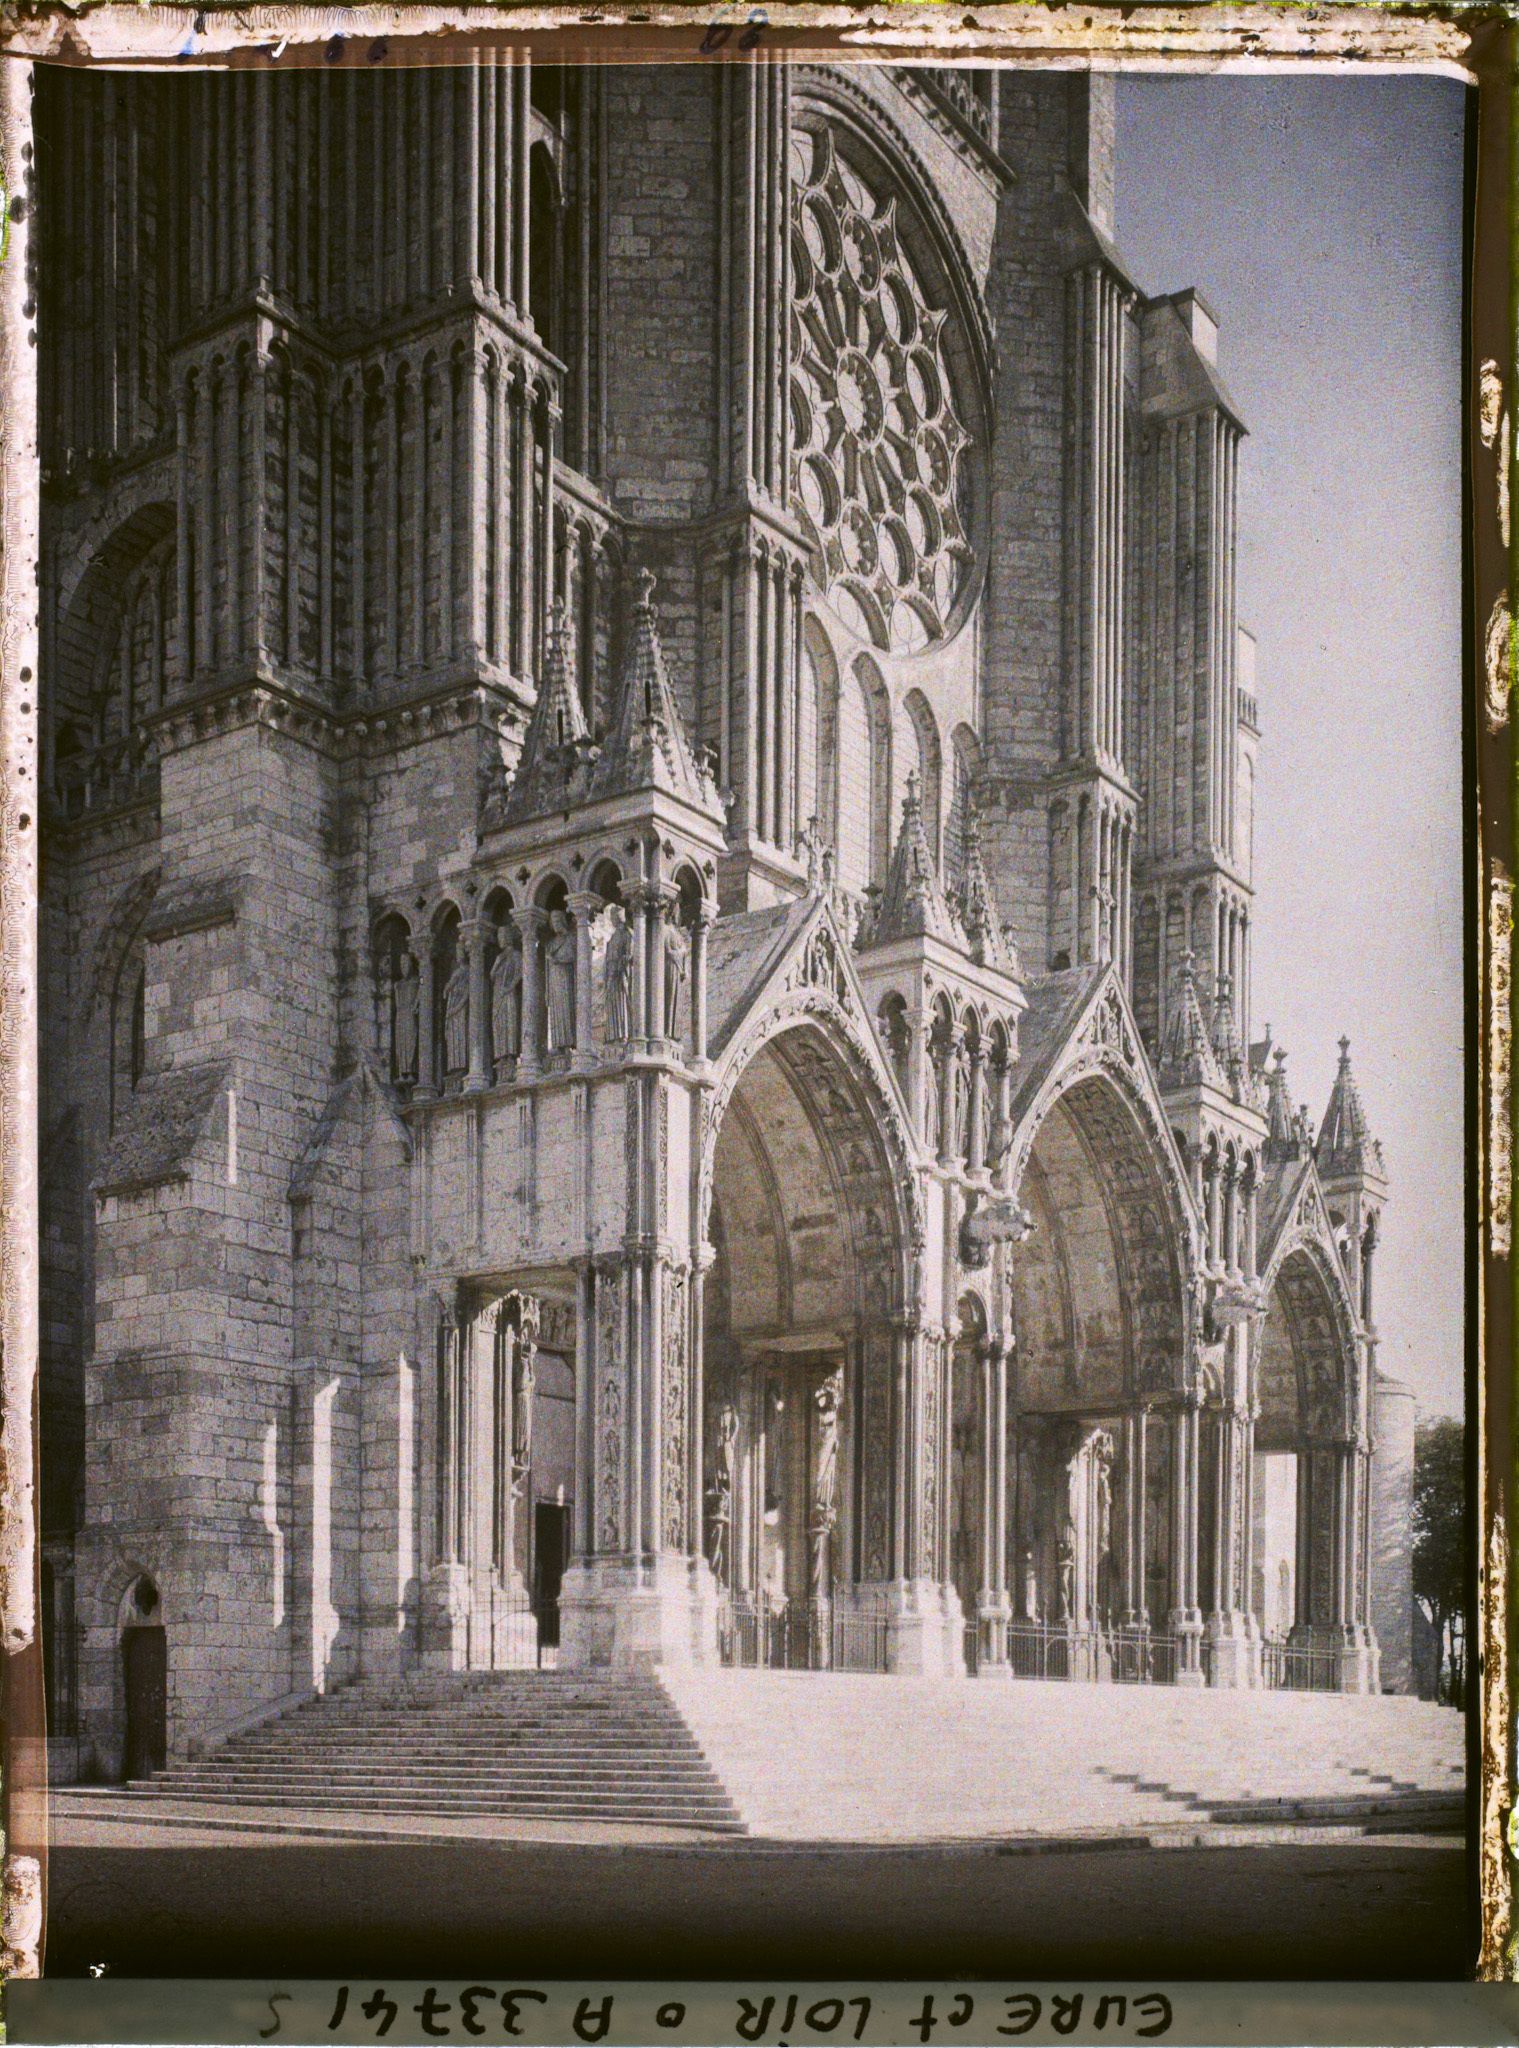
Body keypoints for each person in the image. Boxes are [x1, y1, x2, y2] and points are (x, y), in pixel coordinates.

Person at [545, 909, 577, 1051]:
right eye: (553, 922)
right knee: (556, 1012)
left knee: (566, 1009)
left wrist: (556, 959)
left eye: (558, 921)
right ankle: (558, 1044)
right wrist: (547, 990)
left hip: (565, 978)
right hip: (554, 981)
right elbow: (546, 969)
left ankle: (569, 1043)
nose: (556, 924)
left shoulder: (571, 938)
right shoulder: (551, 944)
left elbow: (572, 956)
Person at [490, 925, 522, 1067]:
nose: (500, 939)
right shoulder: (499, 957)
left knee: (509, 1022)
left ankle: (510, 1055)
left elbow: (521, 972)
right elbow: (491, 976)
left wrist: (510, 987)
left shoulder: (515, 955)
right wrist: (497, 962)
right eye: (498, 937)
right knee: (498, 1024)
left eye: (502, 936)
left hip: (508, 994)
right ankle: (501, 1055)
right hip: (497, 994)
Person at [604, 903, 635, 1042]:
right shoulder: (612, 937)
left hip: (621, 974)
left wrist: (619, 966)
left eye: (614, 916)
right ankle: (614, 1036)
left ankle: (624, 1035)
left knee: (622, 1003)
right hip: (612, 975)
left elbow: (630, 955)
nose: (612, 919)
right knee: (613, 1004)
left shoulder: (627, 934)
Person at [442, 939, 470, 1075]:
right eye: (457, 952)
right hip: (453, 1008)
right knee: (453, 1036)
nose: (458, 955)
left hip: (460, 1009)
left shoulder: (468, 971)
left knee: (460, 1035)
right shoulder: (458, 972)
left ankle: (461, 1066)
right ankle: (454, 1066)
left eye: (460, 951)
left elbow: (467, 992)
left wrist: (457, 1006)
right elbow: (448, 987)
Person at [662, 915, 690, 1040]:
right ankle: (666, 1031)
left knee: (676, 999)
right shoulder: (665, 929)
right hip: (669, 968)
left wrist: (685, 969)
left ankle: (674, 1033)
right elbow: (667, 950)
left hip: (677, 971)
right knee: (668, 997)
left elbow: (684, 952)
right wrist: (679, 954)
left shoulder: (678, 934)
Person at [392, 953, 419, 1080]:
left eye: (406, 963)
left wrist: (416, 1003)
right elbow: (397, 1003)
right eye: (402, 964)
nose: (404, 967)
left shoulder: (418, 980)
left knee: (411, 1041)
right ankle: (402, 1072)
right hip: (401, 1014)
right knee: (401, 1043)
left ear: (412, 965)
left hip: (410, 1013)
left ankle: (411, 1070)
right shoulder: (398, 984)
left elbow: (424, 985)